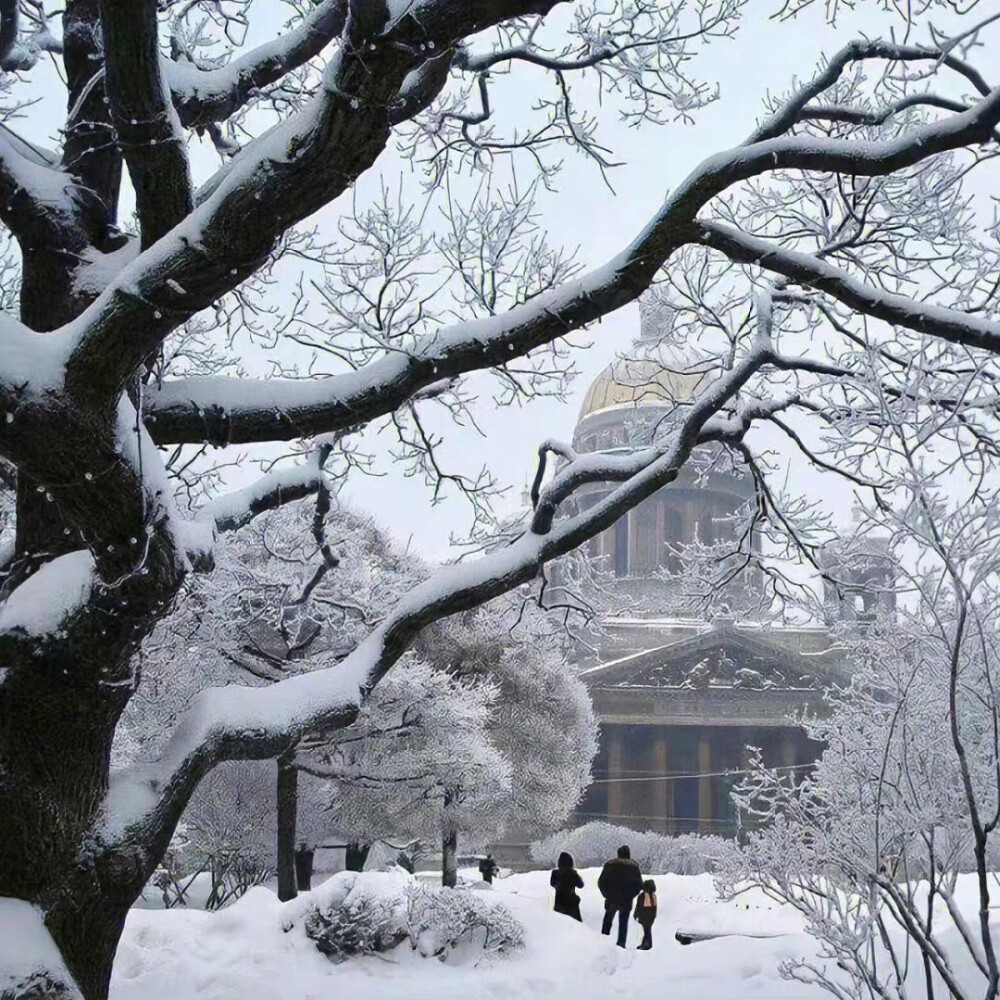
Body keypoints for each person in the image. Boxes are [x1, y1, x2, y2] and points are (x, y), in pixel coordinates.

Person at [597, 845, 643, 947]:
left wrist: (607, 895)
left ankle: (603, 943)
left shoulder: (609, 865)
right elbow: (639, 885)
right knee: (623, 923)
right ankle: (621, 944)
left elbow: (601, 882)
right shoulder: (634, 867)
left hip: (611, 899)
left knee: (607, 920)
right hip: (626, 901)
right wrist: (630, 895)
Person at [549, 851, 584, 921]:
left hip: (559, 903)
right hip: (572, 904)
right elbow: (581, 885)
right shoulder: (573, 874)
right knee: (576, 926)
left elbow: (552, 883)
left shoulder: (555, 873)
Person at [634, 878, 657, 950]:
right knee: (648, 930)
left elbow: (638, 906)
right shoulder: (653, 896)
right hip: (651, 916)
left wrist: (636, 914)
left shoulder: (642, 896)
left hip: (644, 916)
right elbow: (655, 907)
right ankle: (646, 943)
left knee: (646, 931)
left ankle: (646, 944)